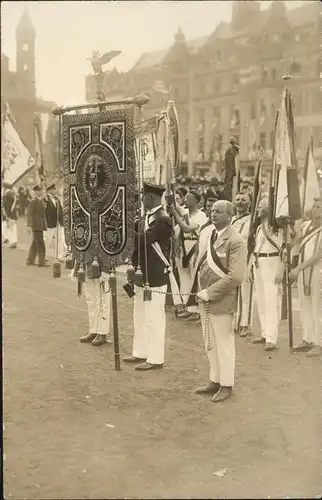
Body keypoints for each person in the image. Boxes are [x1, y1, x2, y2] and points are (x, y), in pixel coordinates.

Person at [187, 200, 246, 403]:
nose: (214, 214)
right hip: (205, 297)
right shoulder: (212, 234)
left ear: (230, 216)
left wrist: (210, 292)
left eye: (219, 212)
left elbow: (236, 277)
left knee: (224, 343)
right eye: (212, 211)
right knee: (210, 342)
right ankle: (215, 379)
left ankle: (226, 384)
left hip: (221, 300)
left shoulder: (235, 240)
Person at [123, 182, 173, 371]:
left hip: (155, 275)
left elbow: (143, 240)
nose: (141, 199)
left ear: (151, 198)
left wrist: (127, 228)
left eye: (143, 196)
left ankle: (155, 358)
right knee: (140, 315)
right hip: (141, 274)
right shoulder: (146, 218)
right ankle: (140, 352)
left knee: (154, 317)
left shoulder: (163, 219)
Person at [290, 198, 322, 357]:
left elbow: (319, 254)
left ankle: (319, 342)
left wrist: (298, 268)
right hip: (303, 270)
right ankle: (307, 338)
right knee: (305, 303)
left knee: (317, 306)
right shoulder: (306, 225)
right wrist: (291, 226)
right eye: (314, 206)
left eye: (319, 206)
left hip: (318, 270)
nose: (316, 209)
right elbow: (295, 241)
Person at [251, 196, 283, 351]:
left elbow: (284, 249)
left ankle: (272, 337)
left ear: (268, 209)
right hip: (259, 263)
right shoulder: (259, 227)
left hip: (272, 262)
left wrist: (281, 270)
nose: (257, 210)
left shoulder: (276, 227)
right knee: (261, 299)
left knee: (271, 301)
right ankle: (264, 332)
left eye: (260, 207)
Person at [170, 190, 208, 322]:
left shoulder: (201, 216)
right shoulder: (184, 212)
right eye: (185, 198)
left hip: (194, 247)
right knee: (184, 278)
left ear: (197, 201)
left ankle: (197, 309)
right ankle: (187, 307)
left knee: (194, 279)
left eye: (190, 198)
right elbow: (175, 205)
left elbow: (187, 228)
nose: (186, 200)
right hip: (183, 247)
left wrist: (176, 214)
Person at [231, 193, 252, 336]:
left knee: (245, 292)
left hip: (245, 258)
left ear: (249, 203)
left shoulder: (251, 220)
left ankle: (245, 324)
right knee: (233, 291)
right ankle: (234, 322)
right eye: (238, 200)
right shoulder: (231, 219)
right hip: (232, 259)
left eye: (243, 200)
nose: (240, 202)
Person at [78, 263, 111, 347]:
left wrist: (106, 269)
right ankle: (94, 330)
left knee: (102, 300)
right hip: (86, 263)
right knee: (91, 300)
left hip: (100, 265)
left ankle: (102, 331)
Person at [26, 185, 49, 267]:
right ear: (36, 192)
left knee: (35, 244)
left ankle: (30, 260)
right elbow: (29, 214)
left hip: (40, 225)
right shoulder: (34, 201)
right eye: (39, 191)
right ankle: (41, 262)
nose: (41, 192)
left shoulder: (40, 201)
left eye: (41, 191)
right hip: (36, 225)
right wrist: (29, 225)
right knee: (40, 244)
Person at [44, 183, 66, 261]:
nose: (55, 190)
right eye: (53, 189)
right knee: (48, 239)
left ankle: (59, 256)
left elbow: (60, 209)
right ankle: (44, 254)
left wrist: (62, 219)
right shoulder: (45, 199)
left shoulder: (57, 199)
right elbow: (45, 212)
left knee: (60, 239)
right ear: (49, 190)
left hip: (58, 222)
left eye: (55, 189)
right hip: (50, 222)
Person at [2, 182, 18, 248]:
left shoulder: (6, 195)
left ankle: (12, 242)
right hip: (13, 214)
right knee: (13, 228)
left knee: (7, 228)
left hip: (9, 214)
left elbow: (6, 206)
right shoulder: (12, 194)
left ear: (5, 187)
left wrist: (7, 216)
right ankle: (15, 240)